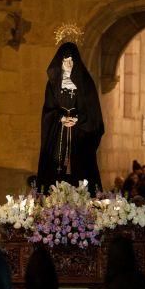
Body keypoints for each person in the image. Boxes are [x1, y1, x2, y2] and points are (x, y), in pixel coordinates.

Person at [37, 42, 104, 195]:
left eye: (71, 60)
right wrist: (60, 118)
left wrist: (78, 120)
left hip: (78, 135)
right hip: (57, 135)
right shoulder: (53, 84)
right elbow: (48, 110)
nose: (68, 64)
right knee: (55, 171)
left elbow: (94, 112)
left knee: (80, 170)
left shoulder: (86, 83)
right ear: (60, 61)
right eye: (65, 60)